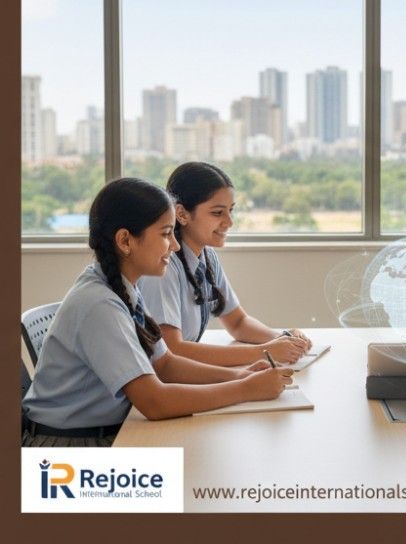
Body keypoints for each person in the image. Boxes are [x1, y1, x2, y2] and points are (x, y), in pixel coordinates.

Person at [22, 178, 293, 447]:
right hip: (69, 448)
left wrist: (241, 376)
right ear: (125, 240)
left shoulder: (123, 287)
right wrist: (246, 390)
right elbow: (155, 402)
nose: (175, 246)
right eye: (166, 234)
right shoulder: (100, 304)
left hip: (103, 432)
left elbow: (165, 364)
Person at [139, 161, 312, 366]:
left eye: (231, 210)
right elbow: (172, 350)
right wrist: (265, 352)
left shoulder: (207, 257)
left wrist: (282, 338)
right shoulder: (163, 267)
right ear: (182, 214)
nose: (229, 222)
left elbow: (238, 322)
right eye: (218, 213)